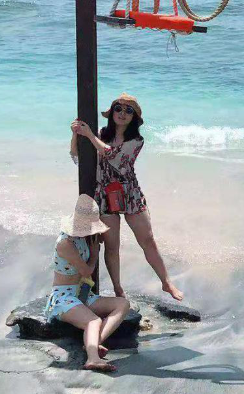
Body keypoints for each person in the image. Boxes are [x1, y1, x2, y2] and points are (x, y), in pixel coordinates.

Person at [71, 93, 183, 302]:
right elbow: (76, 156)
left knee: (148, 239)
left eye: (128, 111)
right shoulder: (100, 134)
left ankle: (166, 282)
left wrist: (90, 136)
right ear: (112, 112)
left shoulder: (136, 141)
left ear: (134, 117)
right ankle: (118, 289)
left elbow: (113, 156)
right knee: (112, 246)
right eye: (118, 109)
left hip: (129, 192)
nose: (122, 113)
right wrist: (76, 134)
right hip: (104, 193)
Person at [45, 194, 130, 372]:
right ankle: (93, 358)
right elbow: (86, 271)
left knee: (122, 304)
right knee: (93, 321)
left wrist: (95, 243)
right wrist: (94, 253)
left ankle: (93, 343)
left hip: (82, 294)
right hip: (63, 298)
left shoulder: (84, 238)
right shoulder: (65, 244)